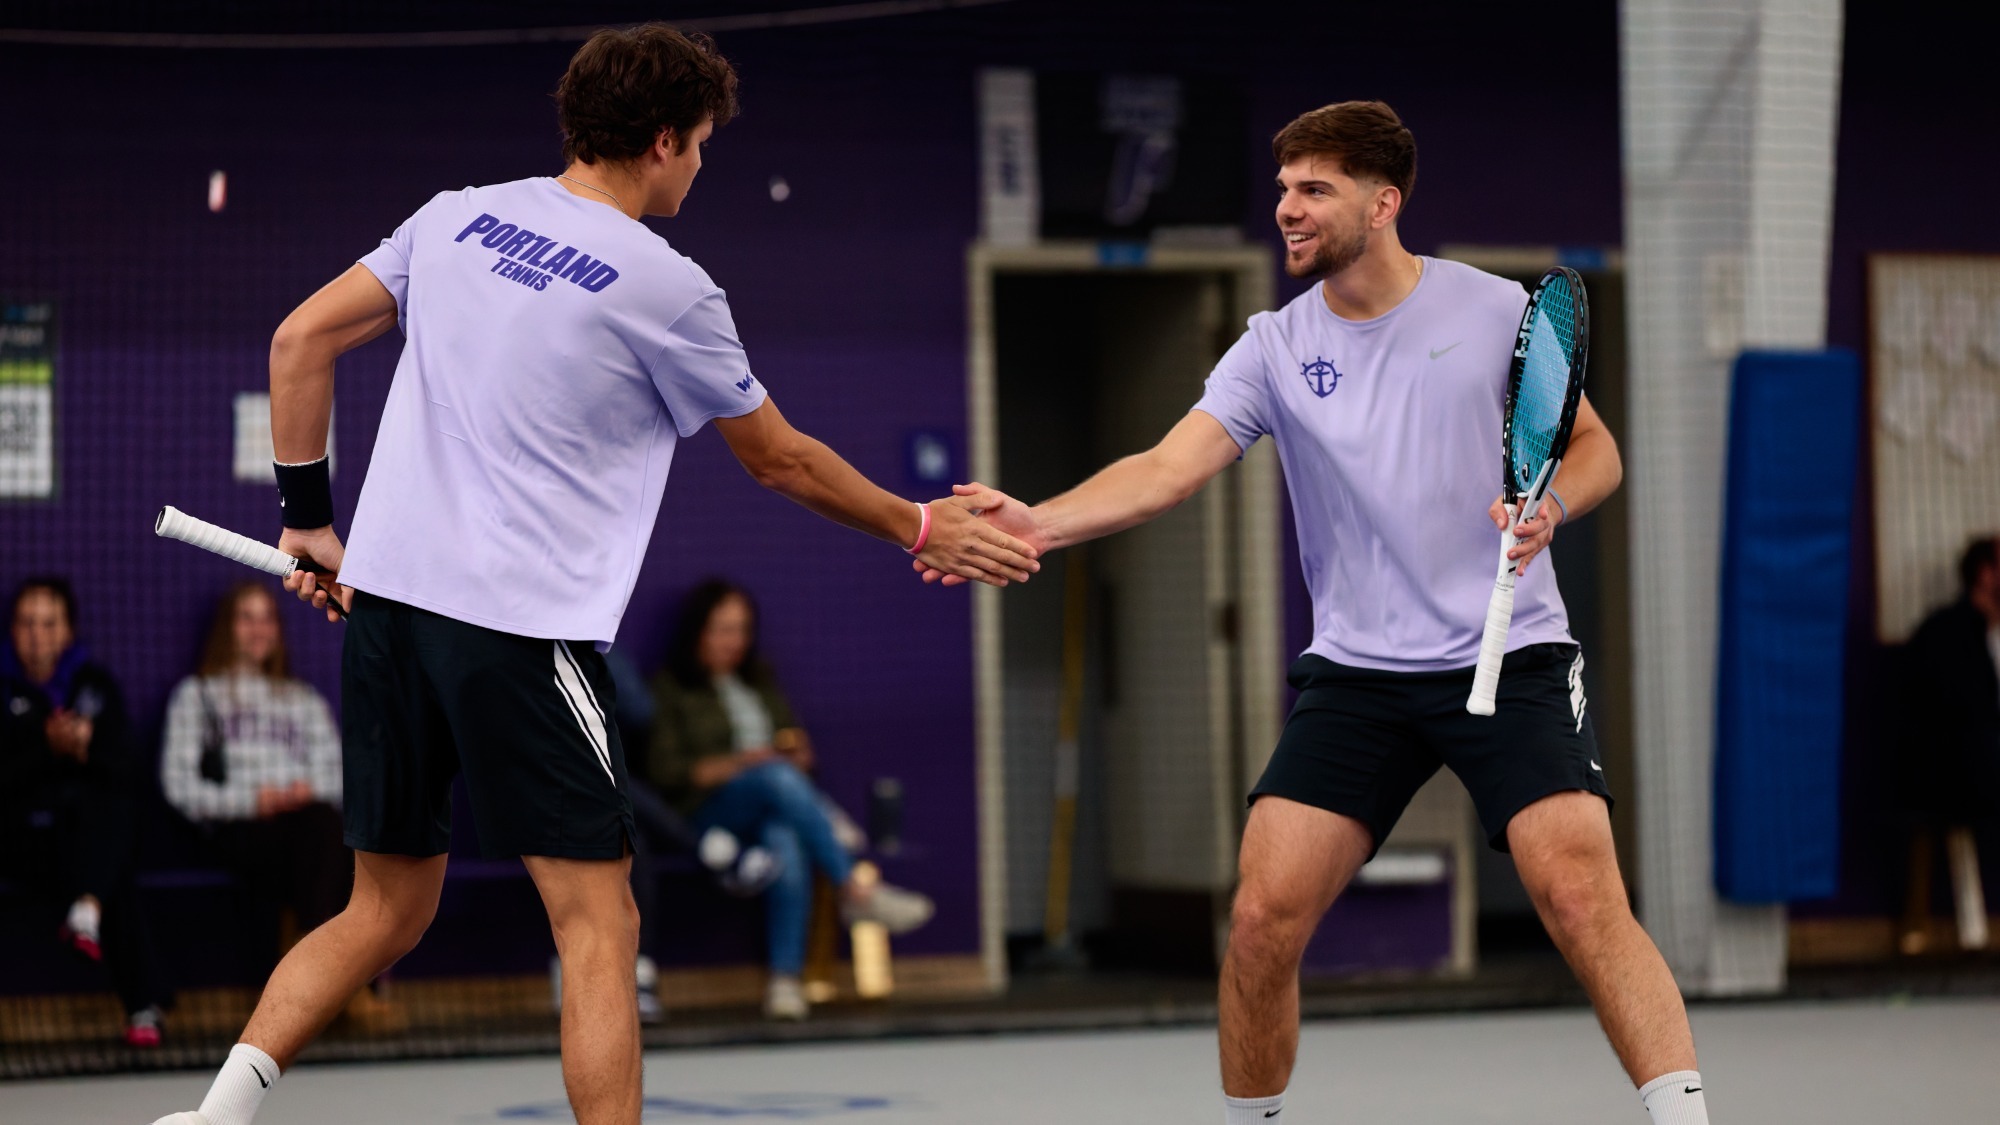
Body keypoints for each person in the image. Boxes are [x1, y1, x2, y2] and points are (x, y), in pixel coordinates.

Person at [151, 22, 1036, 1125]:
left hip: (388, 616)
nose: (704, 166)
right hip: (521, 636)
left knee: (382, 907)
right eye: (702, 143)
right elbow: (781, 461)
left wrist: (308, 530)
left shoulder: (452, 216)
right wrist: (918, 525)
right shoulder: (668, 287)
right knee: (599, 924)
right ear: (662, 140)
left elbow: (297, 343)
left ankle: (215, 1114)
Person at [919, 101, 1709, 1125]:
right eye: (1282, 187)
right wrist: (1036, 523)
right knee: (1258, 922)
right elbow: (1165, 470)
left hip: (1508, 653)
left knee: (1576, 897)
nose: (1285, 208)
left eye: (1312, 189)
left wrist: (1551, 504)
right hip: (1357, 677)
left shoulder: (1496, 311)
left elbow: (1591, 444)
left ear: (1382, 203)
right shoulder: (1271, 346)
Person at [643, 579, 925, 1021]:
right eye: (721, 629)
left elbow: (793, 746)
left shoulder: (760, 679)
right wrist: (749, 763)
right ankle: (852, 886)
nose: (733, 641)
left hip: (774, 804)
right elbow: (670, 775)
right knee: (774, 777)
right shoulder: (669, 687)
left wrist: (797, 756)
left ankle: (785, 983)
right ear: (696, 631)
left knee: (785, 839)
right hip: (705, 816)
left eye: (741, 629)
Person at [0, 577, 172, 1047]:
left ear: (67, 631)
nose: (37, 634)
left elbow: (127, 770)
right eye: (27, 623)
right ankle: (144, 1002)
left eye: (48, 623)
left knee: (112, 817)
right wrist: (46, 746)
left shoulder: (95, 685)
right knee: (108, 872)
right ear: (12, 630)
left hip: (88, 836)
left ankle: (87, 909)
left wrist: (86, 751)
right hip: (23, 841)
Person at [160, 582, 349, 974]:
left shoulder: (302, 698)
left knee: (332, 834)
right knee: (324, 841)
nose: (258, 629)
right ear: (227, 627)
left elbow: (338, 775)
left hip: (305, 822)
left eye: (266, 619)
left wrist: (305, 790)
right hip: (238, 828)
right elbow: (179, 785)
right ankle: (329, 975)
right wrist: (252, 801)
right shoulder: (197, 696)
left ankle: (311, 969)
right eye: (246, 618)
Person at [1898, 536, 2000, 951]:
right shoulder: (1945, 631)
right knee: (1934, 813)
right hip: (1952, 767)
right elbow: (1948, 711)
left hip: (1984, 763)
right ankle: (1917, 929)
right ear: (1984, 574)